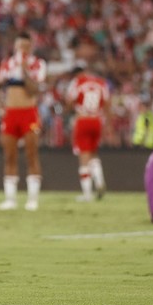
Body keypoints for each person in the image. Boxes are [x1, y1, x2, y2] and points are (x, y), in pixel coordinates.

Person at [0, 32, 47, 211]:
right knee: (9, 155)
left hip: (28, 112)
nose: (21, 50)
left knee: (31, 154)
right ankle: (10, 199)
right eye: (18, 46)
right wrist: (0, 104)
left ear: (31, 47)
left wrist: (23, 69)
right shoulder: (7, 64)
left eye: (25, 46)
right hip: (10, 113)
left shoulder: (38, 64)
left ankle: (32, 199)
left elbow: (34, 90)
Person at [66, 61, 110, 201]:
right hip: (97, 120)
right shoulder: (101, 82)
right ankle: (99, 180)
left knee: (83, 157)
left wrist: (73, 108)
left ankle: (87, 194)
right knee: (93, 153)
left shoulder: (77, 82)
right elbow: (107, 102)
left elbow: (69, 101)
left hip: (83, 119)